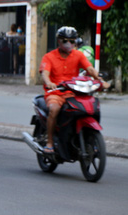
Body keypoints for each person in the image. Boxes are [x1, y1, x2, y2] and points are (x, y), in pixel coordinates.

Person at [39, 26, 109, 154]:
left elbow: (90, 69)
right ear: (59, 41)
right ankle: (49, 142)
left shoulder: (78, 55)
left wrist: (100, 80)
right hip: (55, 93)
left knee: (90, 108)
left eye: (72, 41)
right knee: (54, 109)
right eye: (65, 40)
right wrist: (49, 82)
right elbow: (45, 73)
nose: (69, 44)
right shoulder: (49, 56)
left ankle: (89, 139)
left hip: (74, 93)